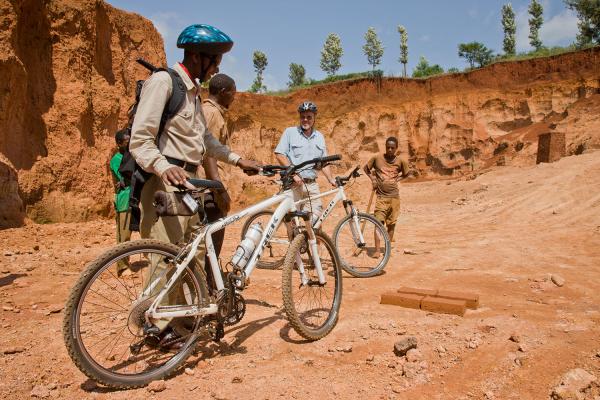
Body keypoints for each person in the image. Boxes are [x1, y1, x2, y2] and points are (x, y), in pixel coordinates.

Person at [129, 24, 260, 344]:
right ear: (196, 56)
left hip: (189, 186)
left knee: (195, 254)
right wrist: (165, 167)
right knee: (168, 257)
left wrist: (238, 159)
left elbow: (205, 142)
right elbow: (140, 141)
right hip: (165, 185)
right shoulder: (163, 83)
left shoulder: (192, 96)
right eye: (213, 60)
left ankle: (185, 324)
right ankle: (158, 328)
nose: (216, 68)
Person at [200, 73, 236, 287]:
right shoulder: (212, 114)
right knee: (211, 245)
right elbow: (208, 153)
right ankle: (209, 291)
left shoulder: (211, 112)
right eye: (233, 92)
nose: (234, 97)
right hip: (208, 192)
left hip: (207, 189)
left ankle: (208, 287)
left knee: (209, 245)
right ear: (223, 92)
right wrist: (219, 189)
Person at [274, 101, 336, 225]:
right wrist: (294, 173)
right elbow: (279, 154)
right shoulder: (290, 132)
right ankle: (294, 244)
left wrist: (331, 179)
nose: (305, 120)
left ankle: (314, 244)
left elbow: (323, 163)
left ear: (314, 118)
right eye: (303, 117)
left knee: (316, 223)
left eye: (309, 117)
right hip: (293, 185)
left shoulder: (319, 137)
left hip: (312, 186)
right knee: (293, 223)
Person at [363, 136, 409, 257]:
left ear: (396, 149)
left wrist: (397, 179)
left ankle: (387, 249)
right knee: (378, 223)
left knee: (391, 224)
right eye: (388, 147)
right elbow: (366, 169)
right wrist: (373, 179)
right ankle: (378, 250)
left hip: (394, 198)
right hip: (381, 198)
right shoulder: (377, 158)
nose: (389, 150)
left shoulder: (400, 161)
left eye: (392, 148)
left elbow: (406, 173)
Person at [109, 129, 132, 275]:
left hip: (135, 198)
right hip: (124, 199)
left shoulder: (130, 157)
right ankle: (122, 266)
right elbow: (125, 178)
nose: (129, 144)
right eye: (126, 142)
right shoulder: (116, 159)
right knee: (124, 235)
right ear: (119, 143)